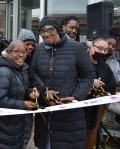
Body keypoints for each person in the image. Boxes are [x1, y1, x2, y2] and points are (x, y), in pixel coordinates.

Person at [30, 17, 95, 149]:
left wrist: (76, 96)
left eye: (50, 30)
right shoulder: (40, 49)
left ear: (58, 30)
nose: (46, 34)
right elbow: (33, 73)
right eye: (42, 31)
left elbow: (88, 75)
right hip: (46, 113)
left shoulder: (77, 48)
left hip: (69, 114)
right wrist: (44, 90)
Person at [0, 40, 37, 149]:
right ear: (8, 53)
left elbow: (22, 89)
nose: (21, 55)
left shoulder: (22, 69)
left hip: (17, 124)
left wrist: (31, 93)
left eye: (24, 52)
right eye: (17, 51)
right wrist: (23, 104)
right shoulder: (4, 72)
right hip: (5, 125)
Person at [85, 38, 116, 148]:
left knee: (92, 133)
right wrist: (90, 82)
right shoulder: (81, 62)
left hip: (97, 109)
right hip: (79, 109)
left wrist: (104, 95)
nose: (102, 52)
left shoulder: (105, 67)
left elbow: (111, 85)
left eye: (105, 50)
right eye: (100, 49)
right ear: (92, 46)